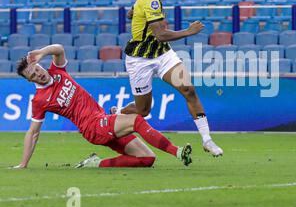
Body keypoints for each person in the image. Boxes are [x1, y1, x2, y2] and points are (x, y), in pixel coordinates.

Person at [12, 44, 192, 169]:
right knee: (136, 120)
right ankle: (178, 152)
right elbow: (33, 132)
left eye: (36, 69)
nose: (38, 74)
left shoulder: (57, 71)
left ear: (39, 65)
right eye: (32, 75)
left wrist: (41, 52)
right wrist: (23, 163)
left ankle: (95, 163)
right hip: (92, 127)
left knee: (147, 159)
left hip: (101, 121)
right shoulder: (39, 100)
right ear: (30, 80)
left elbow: (59, 49)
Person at [116, 0, 223, 157]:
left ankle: (207, 140)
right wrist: (189, 31)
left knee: (189, 90)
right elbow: (161, 35)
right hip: (140, 59)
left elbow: (132, 13)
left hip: (162, 54)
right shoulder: (151, 1)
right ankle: (117, 115)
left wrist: (135, 12)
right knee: (143, 110)